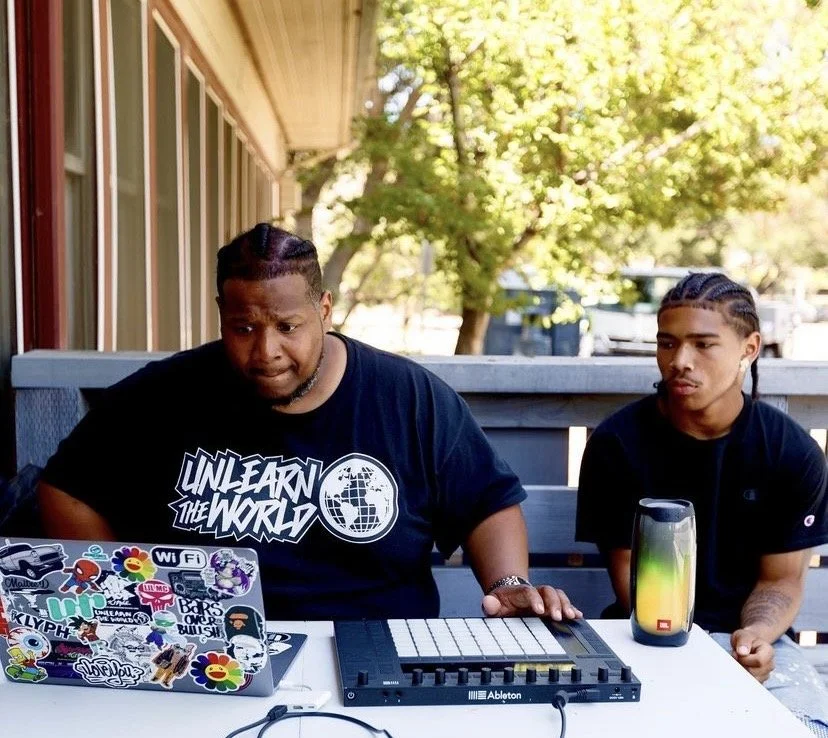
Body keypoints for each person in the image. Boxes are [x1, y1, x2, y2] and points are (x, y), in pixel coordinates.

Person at [38, 223, 582, 623]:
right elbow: (66, 488)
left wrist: (509, 583)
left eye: (287, 325)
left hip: (378, 646)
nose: (266, 351)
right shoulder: (166, 394)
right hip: (207, 654)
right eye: (243, 327)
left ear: (324, 309)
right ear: (220, 315)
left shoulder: (408, 398)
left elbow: (487, 503)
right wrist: (120, 592)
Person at [576, 271, 828, 733]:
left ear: (748, 349)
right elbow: (633, 586)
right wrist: (701, 661)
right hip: (647, 634)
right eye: (667, 344)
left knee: (805, 727)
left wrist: (754, 639)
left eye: (703, 345)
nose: (679, 361)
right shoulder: (619, 443)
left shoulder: (789, 450)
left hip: (755, 642)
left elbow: (781, 582)